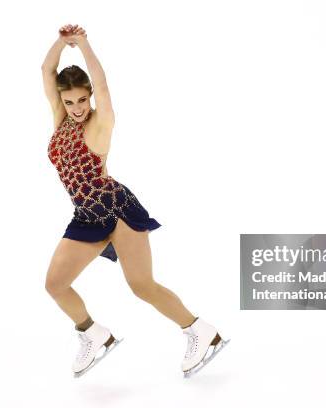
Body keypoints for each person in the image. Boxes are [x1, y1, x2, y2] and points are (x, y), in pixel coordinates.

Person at [41, 24, 229, 378]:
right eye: (70, 101)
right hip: (86, 217)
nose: (77, 107)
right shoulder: (60, 120)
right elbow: (46, 72)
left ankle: (201, 332)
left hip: (117, 210)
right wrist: (59, 42)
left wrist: (83, 45)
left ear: (90, 96)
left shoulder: (101, 121)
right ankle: (93, 334)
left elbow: (103, 82)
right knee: (55, 284)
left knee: (141, 285)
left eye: (82, 99)